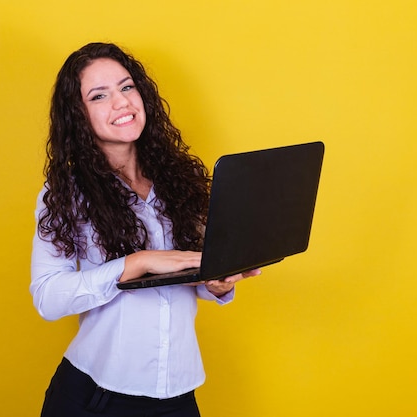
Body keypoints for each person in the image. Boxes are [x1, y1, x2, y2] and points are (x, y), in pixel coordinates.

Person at [30, 42, 260, 417]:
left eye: (126, 87)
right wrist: (135, 263)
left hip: (178, 395)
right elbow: (47, 297)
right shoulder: (67, 192)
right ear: (78, 115)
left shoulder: (180, 179)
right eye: (99, 95)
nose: (121, 102)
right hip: (94, 398)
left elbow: (186, 270)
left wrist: (215, 283)